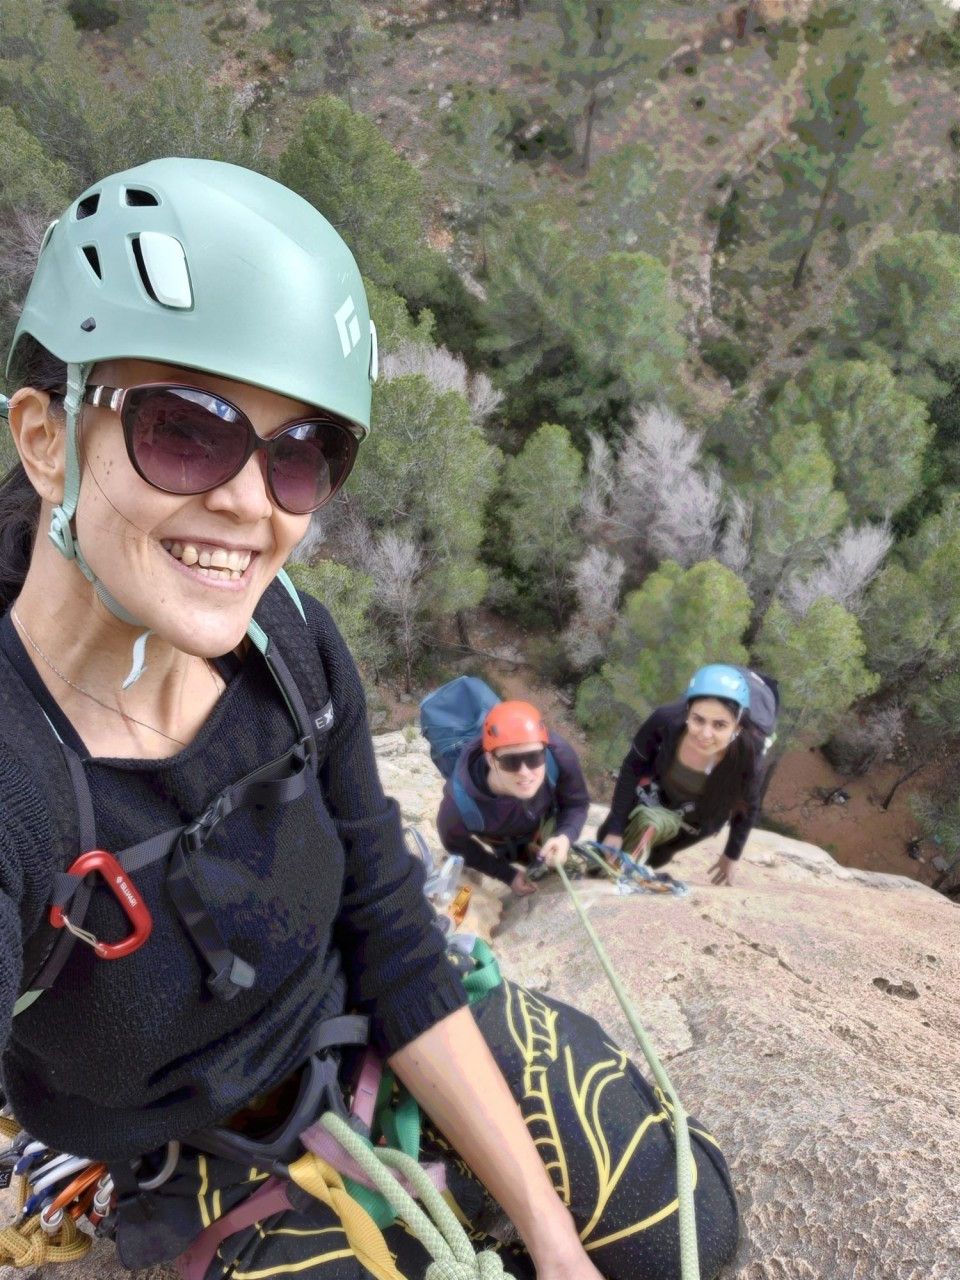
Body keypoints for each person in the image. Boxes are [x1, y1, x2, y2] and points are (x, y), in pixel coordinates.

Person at [0, 158, 738, 1279]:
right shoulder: (16, 778)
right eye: (186, 430)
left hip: (372, 1032)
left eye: (301, 453)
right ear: (46, 438)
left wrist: (556, 1247)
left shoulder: (291, 643)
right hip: (192, 1152)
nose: (249, 502)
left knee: (686, 1232)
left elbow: (389, 932)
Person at [598, 665, 766, 888]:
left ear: (737, 727)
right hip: (660, 790)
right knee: (605, 842)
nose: (705, 734)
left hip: (700, 816)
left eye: (719, 725)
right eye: (698, 720)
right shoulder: (665, 721)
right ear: (687, 712)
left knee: (657, 857)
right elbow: (633, 768)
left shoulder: (749, 755)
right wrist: (615, 828)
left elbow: (748, 806)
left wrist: (731, 854)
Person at [436, 700, 589, 897]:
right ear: (490, 759)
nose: (525, 772)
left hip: (543, 825)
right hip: (506, 843)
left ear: (545, 750)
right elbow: (455, 844)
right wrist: (507, 875)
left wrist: (565, 836)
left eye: (534, 757)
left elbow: (576, 803)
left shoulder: (559, 754)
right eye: (510, 762)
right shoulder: (458, 807)